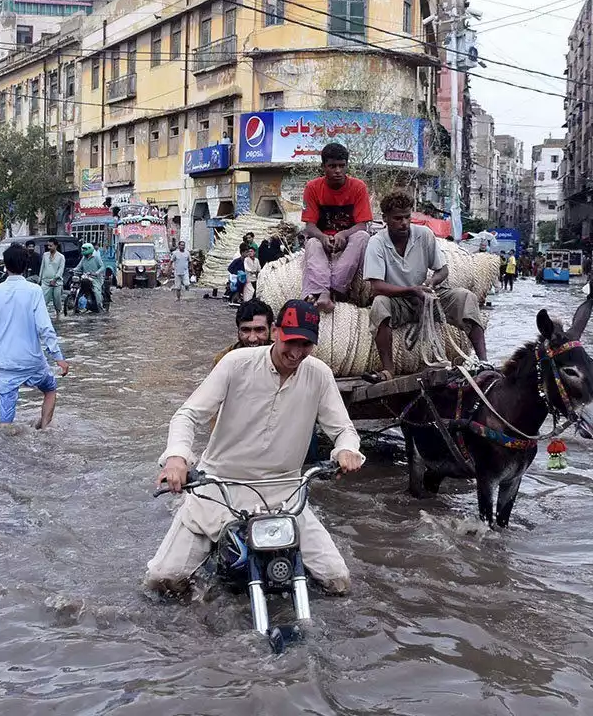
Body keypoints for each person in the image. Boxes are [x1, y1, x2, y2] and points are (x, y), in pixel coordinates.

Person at [147, 299, 365, 594]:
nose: (297, 352)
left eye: (306, 344)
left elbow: (343, 429)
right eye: (292, 341)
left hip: (285, 496)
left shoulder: (319, 374)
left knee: (338, 581)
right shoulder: (235, 364)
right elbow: (187, 415)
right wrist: (176, 459)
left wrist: (346, 451)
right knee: (163, 579)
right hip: (218, 490)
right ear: (277, 332)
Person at [363, 191, 487, 383]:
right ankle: (388, 369)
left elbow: (442, 270)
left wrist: (431, 283)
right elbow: (377, 287)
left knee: (466, 298)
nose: (404, 223)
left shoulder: (424, 235)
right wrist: (412, 290)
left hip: (426, 296)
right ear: (385, 218)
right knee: (379, 305)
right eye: (397, 218)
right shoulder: (376, 243)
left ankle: (483, 362)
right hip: (398, 301)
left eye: (407, 217)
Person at [0, 244, 69, 428]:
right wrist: (58, 358)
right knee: (50, 389)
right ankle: (43, 431)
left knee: (5, 421)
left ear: (5, 266)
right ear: (26, 266)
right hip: (32, 362)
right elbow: (45, 328)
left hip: (4, 366)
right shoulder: (34, 291)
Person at [301, 142, 373, 313]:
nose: (338, 171)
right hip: (323, 241)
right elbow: (309, 225)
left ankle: (335, 288)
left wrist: (344, 234)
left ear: (347, 165)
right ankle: (323, 291)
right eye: (332, 166)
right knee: (312, 243)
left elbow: (362, 224)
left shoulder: (358, 187)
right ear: (323, 167)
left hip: (348, 241)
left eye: (342, 166)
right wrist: (322, 237)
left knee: (362, 236)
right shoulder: (312, 187)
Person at [215, 298, 275, 364]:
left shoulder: (282, 359)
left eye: (259, 330)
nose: (252, 339)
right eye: (246, 330)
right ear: (238, 331)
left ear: (271, 329)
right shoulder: (223, 360)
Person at [40, 238, 67, 317]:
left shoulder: (61, 257)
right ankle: (42, 316)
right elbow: (42, 267)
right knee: (43, 299)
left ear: (56, 246)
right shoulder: (45, 255)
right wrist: (40, 279)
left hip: (57, 282)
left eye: (51, 246)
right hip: (45, 281)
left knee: (57, 300)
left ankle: (58, 315)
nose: (49, 247)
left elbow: (61, 269)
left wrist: (55, 279)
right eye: (48, 245)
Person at [77, 243, 106, 311]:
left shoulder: (96, 257)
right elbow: (79, 267)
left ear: (89, 249)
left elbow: (102, 267)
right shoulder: (83, 258)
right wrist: (73, 269)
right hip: (85, 277)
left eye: (84, 249)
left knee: (96, 291)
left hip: (95, 278)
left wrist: (96, 273)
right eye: (82, 249)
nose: (83, 250)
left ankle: (100, 306)